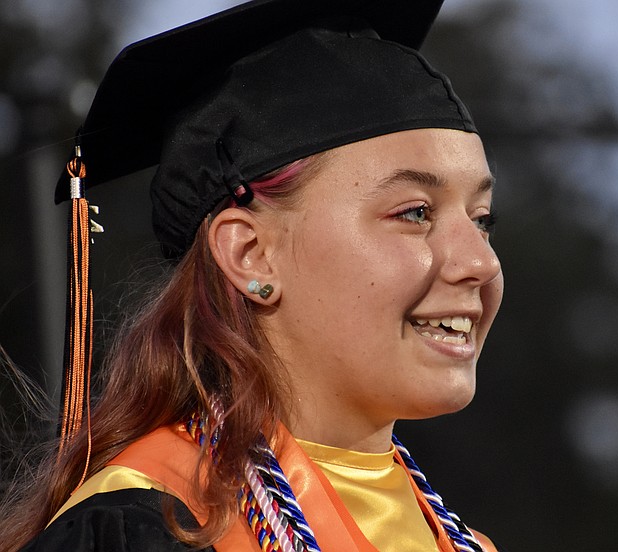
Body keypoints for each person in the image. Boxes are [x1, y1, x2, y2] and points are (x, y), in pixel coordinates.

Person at [0, 0, 503, 550]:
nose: (481, 262)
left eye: (482, 220)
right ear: (250, 255)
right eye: (414, 213)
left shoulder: (463, 542)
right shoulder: (153, 527)